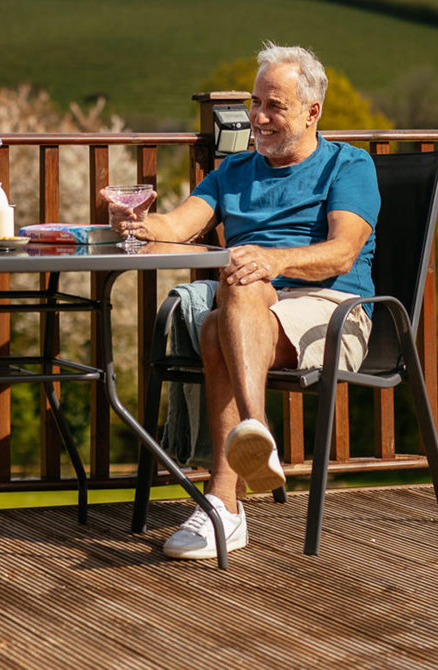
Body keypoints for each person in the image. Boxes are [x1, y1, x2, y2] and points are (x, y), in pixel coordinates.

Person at [110, 42, 379, 559]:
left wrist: (274, 261)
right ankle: (237, 477)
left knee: (229, 300)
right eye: (256, 103)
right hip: (249, 306)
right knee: (223, 313)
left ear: (311, 111)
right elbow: (179, 226)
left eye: (274, 105)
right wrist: (141, 224)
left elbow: (342, 253)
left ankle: (230, 495)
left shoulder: (349, 166)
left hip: (332, 309)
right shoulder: (233, 172)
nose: (258, 117)